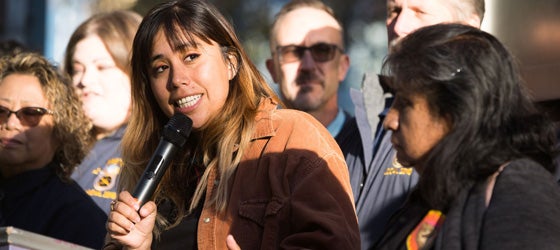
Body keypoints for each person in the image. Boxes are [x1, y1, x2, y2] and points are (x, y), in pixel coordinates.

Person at [103, 0, 360, 249]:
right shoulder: (148, 166)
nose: (177, 79)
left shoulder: (292, 138)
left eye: (191, 56)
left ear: (231, 63)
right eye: (160, 68)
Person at [372, 23, 560, 249]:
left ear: (457, 111)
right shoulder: (427, 198)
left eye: (405, 103)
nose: (389, 121)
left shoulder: (520, 188)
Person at [266, 1, 418, 248]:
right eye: (292, 52)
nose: (307, 65)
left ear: (343, 66)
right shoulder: (247, 158)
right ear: (272, 69)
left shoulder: (387, 146)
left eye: (322, 51)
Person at [0, 52, 107, 249]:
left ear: (61, 127)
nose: (11, 123)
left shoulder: (77, 216)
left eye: (31, 113)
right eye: (1, 111)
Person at [63, 10, 142, 214]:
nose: (84, 81)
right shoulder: (56, 145)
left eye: (102, 67)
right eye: (77, 69)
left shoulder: (153, 151)